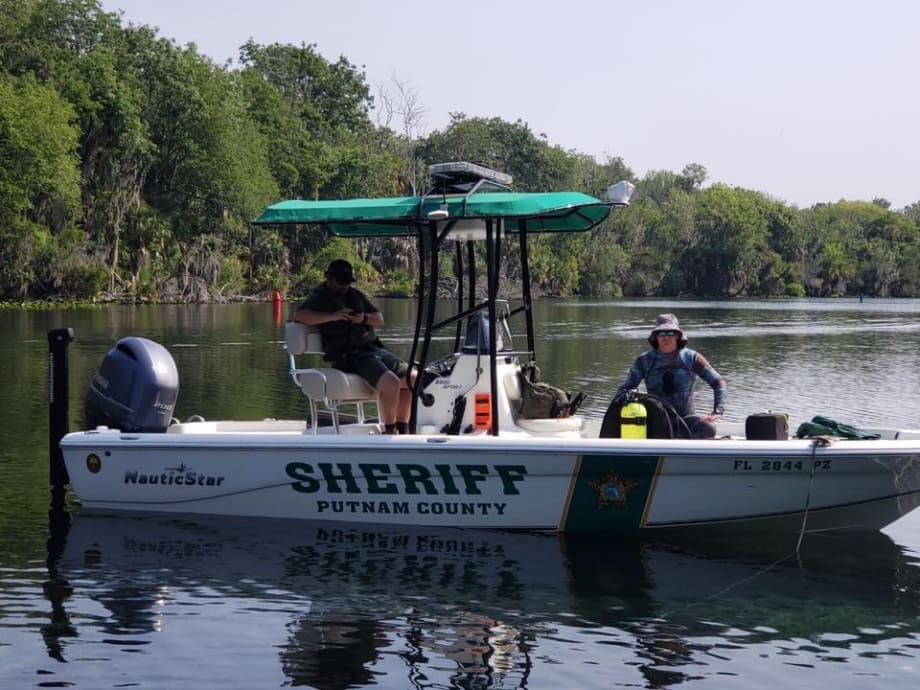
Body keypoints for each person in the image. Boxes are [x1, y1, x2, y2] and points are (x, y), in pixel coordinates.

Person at [293, 259, 415, 434]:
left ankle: (404, 429)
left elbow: (379, 319)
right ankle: (389, 431)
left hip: (372, 349)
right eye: (341, 282)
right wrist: (333, 316)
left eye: (348, 282)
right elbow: (300, 315)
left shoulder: (355, 295)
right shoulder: (319, 297)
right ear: (329, 278)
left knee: (413, 378)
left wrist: (363, 318)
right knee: (391, 383)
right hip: (349, 355)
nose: (345, 286)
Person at [615, 314, 726, 439]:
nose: (666, 337)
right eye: (661, 333)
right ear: (655, 336)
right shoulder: (643, 361)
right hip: (655, 420)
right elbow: (626, 388)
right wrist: (625, 399)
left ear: (678, 336)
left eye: (671, 333)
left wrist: (718, 410)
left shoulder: (692, 358)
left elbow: (718, 382)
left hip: (685, 420)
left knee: (708, 428)